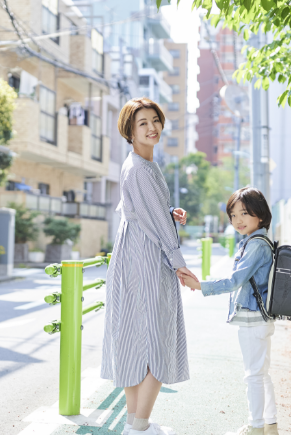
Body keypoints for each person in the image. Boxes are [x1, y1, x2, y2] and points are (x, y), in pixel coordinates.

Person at [102, 97, 199, 435]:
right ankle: (138, 426)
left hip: (133, 254)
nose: (152, 127)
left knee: (133, 341)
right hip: (146, 258)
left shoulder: (140, 165)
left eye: (155, 120)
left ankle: (134, 423)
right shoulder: (140, 168)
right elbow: (149, 219)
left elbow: (138, 210)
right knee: (158, 342)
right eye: (142, 123)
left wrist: (169, 213)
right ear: (129, 130)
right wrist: (179, 264)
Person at [179, 187, 278, 435]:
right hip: (260, 317)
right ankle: (270, 424)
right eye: (233, 215)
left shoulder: (256, 245)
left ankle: (256, 427)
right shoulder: (259, 241)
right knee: (261, 374)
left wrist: (201, 286)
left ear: (261, 215)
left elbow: (235, 281)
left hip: (253, 318)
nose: (238, 220)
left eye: (244, 213)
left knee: (253, 376)